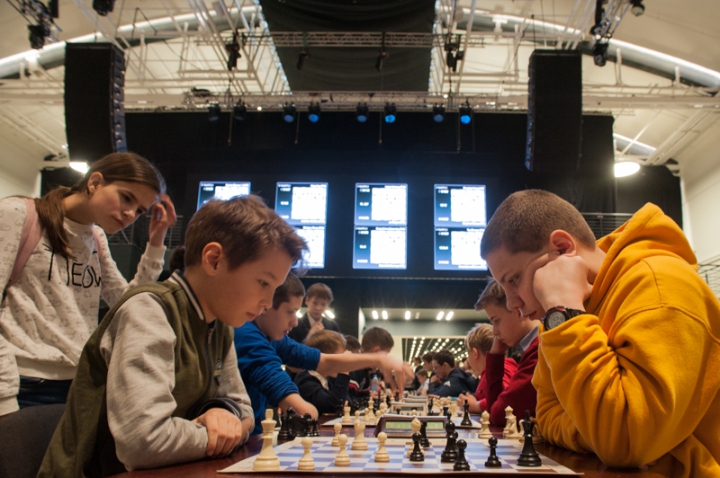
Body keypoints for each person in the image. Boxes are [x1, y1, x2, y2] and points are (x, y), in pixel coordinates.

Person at [480, 189, 720, 477]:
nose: (511, 304)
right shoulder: (561, 317)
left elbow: (624, 439)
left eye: (514, 279)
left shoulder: (662, 287)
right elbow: (545, 414)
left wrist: (565, 309)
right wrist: (596, 436)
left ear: (562, 248)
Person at [0, 152, 176, 417]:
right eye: (126, 197)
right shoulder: (18, 213)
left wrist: (156, 242)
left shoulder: (96, 237)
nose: (130, 213)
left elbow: (126, 303)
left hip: (76, 385)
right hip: (23, 383)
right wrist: (4, 395)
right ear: (94, 183)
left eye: (140, 210)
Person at [235, 276, 404, 435]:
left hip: (249, 436)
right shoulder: (248, 335)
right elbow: (305, 412)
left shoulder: (273, 337)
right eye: (291, 312)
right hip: (236, 442)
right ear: (266, 305)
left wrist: (380, 358)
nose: (295, 322)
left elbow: (324, 361)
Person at [461, 285, 532, 423]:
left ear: (518, 311)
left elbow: (500, 414)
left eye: (496, 321)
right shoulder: (528, 351)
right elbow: (496, 410)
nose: (494, 331)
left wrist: (476, 405)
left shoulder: (536, 351)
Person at [294, 330, 350, 415]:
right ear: (324, 358)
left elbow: (346, 398)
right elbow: (333, 405)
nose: (343, 361)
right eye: (340, 357)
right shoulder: (305, 382)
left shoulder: (327, 378)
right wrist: (344, 371)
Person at [347, 326, 396, 397]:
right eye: (385, 355)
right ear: (376, 351)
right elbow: (348, 400)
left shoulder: (365, 370)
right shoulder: (355, 367)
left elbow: (364, 395)